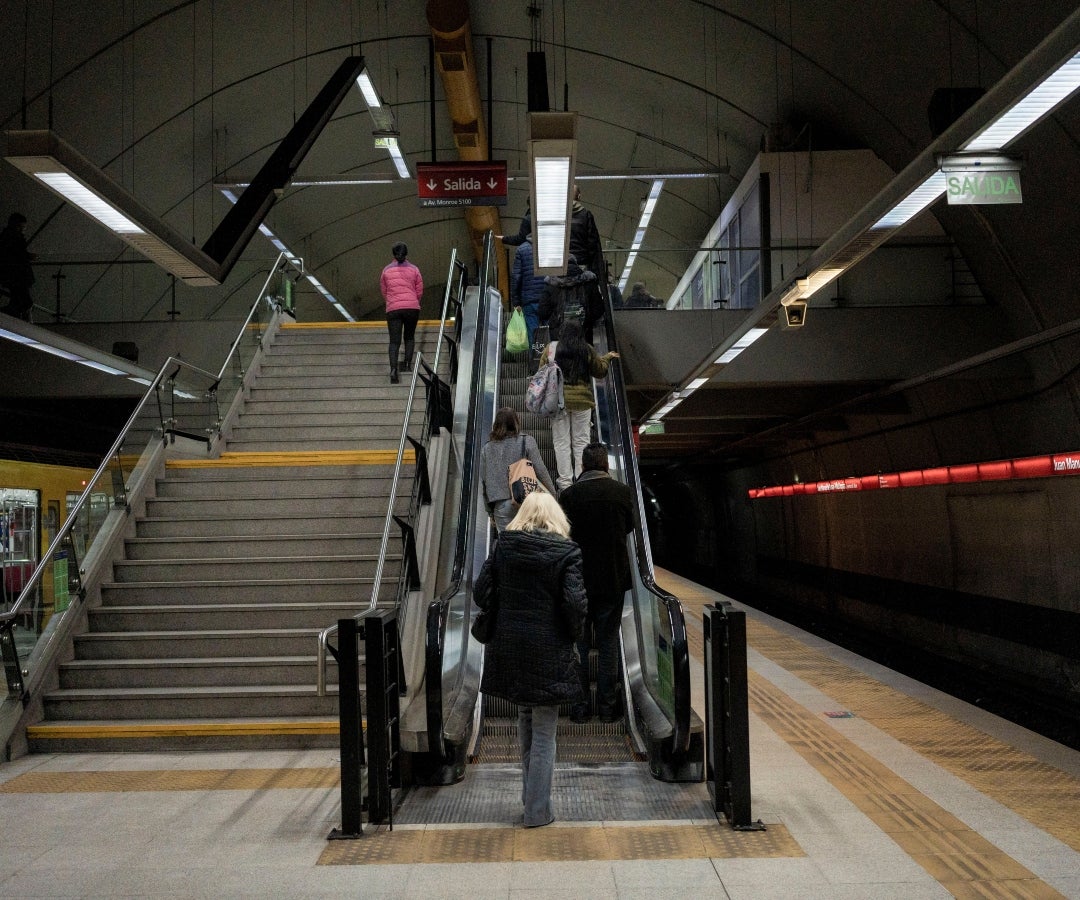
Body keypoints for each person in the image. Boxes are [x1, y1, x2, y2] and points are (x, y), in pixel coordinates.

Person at [473, 491, 586, 828]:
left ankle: (531, 800)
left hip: (510, 647)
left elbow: (481, 592)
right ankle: (538, 811)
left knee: (525, 720)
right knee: (545, 733)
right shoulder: (567, 551)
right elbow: (575, 605)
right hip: (549, 649)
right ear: (555, 517)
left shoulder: (503, 547)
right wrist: (573, 634)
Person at [558, 443, 636, 723]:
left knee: (577, 646)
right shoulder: (622, 493)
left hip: (577, 581)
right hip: (613, 581)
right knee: (607, 643)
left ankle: (580, 709)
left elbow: (562, 533)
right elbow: (629, 527)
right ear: (605, 466)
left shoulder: (569, 496)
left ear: (582, 466)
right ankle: (606, 708)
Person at [541, 320, 618, 491]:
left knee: (561, 442)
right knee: (581, 441)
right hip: (582, 401)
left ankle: (565, 483)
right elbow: (599, 370)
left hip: (558, 402)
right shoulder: (586, 349)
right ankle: (582, 479)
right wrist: (607, 357)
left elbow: (542, 372)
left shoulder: (552, 349)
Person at [480, 406, 556, 532]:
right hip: (526, 500)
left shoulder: (487, 449)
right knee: (531, 543)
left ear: (496, 424)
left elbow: (484, 482)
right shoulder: (527, 441)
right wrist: (552, 495)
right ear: (516, 422)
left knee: (509, 547)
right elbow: (541, 470)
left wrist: (490, 512)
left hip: (501, 505)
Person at [379, 242, 423, 384]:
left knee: (394, 341)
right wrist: (413, 301)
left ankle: (393, 370)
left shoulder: (386, 270)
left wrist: (392, 302)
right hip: (411, 308)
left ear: (393, 254)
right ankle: (407, 365)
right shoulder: (415, 269)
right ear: (406, 254)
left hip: (393, 309)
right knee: (409, 337)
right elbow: (419, 290)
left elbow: (384, 290)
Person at [537, 255, 597, 342]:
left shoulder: (551, 284)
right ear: (576, 264)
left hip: (558, 336)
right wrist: (586, 319)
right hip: (584, 335)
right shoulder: (588, 282)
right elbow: (598, 309)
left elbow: (543, 312)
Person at [510, 235, 546, 349]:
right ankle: (551, 362)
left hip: (529, 300)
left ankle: (536, 362)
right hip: (548, 297)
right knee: (551, 333)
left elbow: (516, 277)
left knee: (533, 334)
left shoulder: (521, 249)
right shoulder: (549, 247)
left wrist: (516, 302)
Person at [0, 213, 36, 321]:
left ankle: (21, 325)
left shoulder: (6, 237)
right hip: (18, 276)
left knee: (18, 301)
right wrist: (28, 256)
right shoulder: (14, 238)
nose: (22, 230)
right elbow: (17, 255)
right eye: (20, 227)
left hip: (14, 276)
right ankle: (25, 325)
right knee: (25, 302)